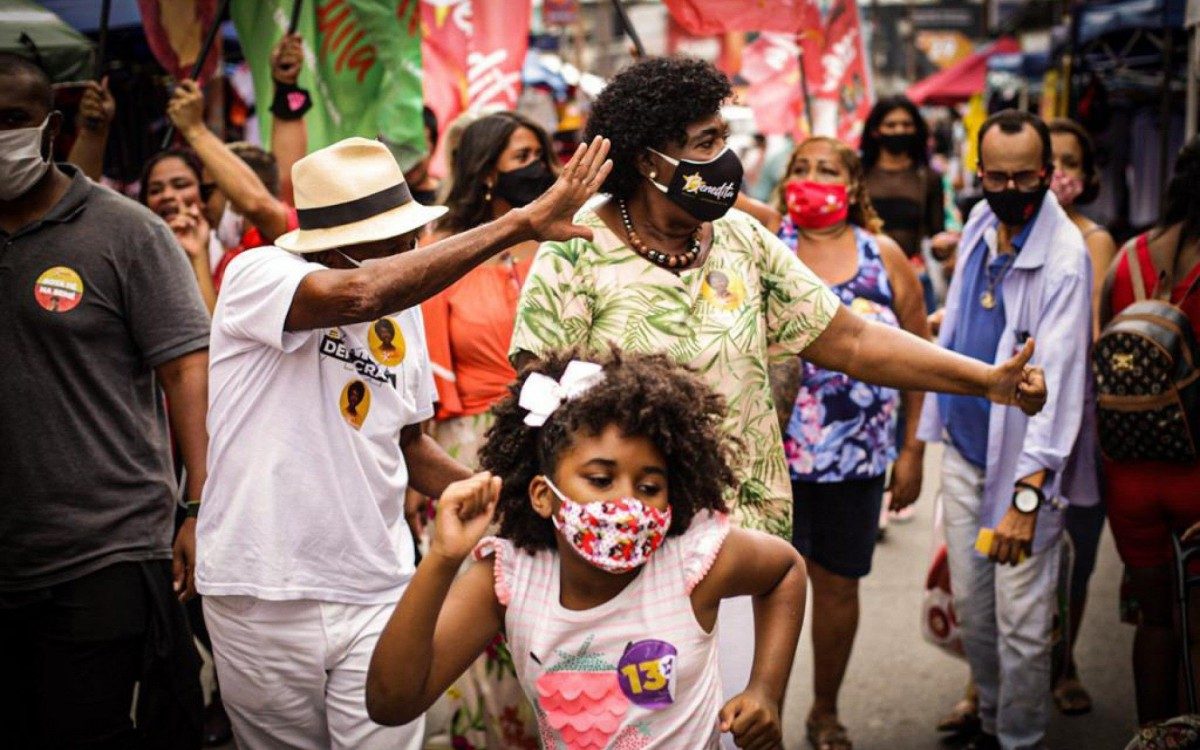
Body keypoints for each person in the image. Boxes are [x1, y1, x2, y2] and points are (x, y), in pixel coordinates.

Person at [507, 56, 1047, 747]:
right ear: (649, 159)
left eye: (720, 138)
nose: (723, 158)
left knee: (737, 729)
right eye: (704, 143)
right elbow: (537, 404)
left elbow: (851, 340)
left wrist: (986, 379)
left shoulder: (740, 239)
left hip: (744, 544)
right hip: (622, 558)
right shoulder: (575, 249)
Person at [194, 134, 613, 748]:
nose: (410, 245)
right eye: (393, 234)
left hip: (378, 584)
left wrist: (515, 500)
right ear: (333, 241)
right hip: (262, 587)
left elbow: (409, 443)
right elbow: (360, 294)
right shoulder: (262, 274)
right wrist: (519, 224)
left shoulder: (403, 308)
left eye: (409, 229)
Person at [366, 350, 809, 750]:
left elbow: (785, 570)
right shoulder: (513, 579)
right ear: (543, 495)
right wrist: (442, 560)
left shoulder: (693, 561)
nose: (626, 501)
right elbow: (391, 703)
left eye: (649, 486)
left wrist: (765, 690)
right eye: (600, 480)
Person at [0, 52, 210, 746]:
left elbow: (187, 371)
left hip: (108, 551)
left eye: (11, 120)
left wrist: (198, 506)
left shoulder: (127, 232)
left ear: (51, 127)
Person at [917, 110, 1095, 750]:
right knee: (977, 609)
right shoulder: (980, 221)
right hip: (966, 455)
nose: (1013, 190)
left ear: (1048, 174)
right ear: (979, 173)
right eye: (998, 177)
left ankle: (1019, 737)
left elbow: (1063, 387)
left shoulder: (1066, 259)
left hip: (1025, 471)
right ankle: (992, 721)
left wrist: (1027, 499)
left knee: (1022, 620)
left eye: (1027, 178)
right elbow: (968, 308)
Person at [775, 136, 929, 750]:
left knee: (838, 586)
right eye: (801, 168)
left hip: (857, 459)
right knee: (766, 591)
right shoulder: (764, 248)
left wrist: (912, 449)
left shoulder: (883, 256)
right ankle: (763, 716)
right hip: (768, 456)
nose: (812, 178)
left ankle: (824, 711)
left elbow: (920, 356)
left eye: (827, 169)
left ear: (854, 185)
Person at [419, 109, 558, 749]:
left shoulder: (567, 241)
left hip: (560, 444)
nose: (536, 166)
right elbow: (420, 377)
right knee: (476, 597)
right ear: (483, 173)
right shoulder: (439, 247)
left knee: (547, 598)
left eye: (539, 151)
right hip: (468, 446)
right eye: (520, 155)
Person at [1100, 136, 1200, 726]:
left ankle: (1152, 737)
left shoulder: (1128, 257)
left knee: (1155, 619)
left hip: (1129, 474)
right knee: (1197, 628)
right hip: (1194, 471)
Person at [1047, 116, 1115, 717]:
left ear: (1086, 177)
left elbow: (1084, 333)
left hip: (1077, 411)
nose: (1059, 174)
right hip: (1013, 404)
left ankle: (1063, 662)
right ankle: (980, 679)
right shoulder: (999, 227)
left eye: (1071, 163)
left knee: (1076, 549)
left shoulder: (1093, 241)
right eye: (1052, 161)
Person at [861, 96, 945, 312]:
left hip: (913, 280)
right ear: (876, 130)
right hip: (865, 281)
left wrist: (948, 247)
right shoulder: (858, 174)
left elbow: (937, 234)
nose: (899, 130)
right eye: (891, 125)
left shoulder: (928, 178)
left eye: (906, 125)